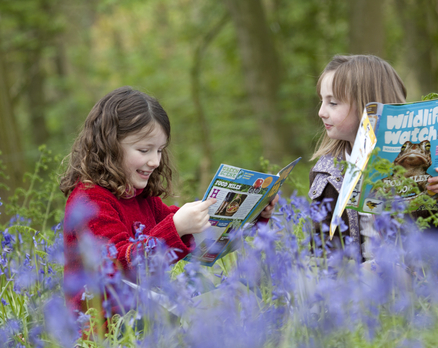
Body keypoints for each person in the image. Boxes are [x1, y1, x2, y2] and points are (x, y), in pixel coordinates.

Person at [60, 86, 278, 316]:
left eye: (160, 150)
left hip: (149, 310)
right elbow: (118, 266)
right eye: (144, 150)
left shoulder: (141, 197)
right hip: (104, 326)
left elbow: (204, 246)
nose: (155, 161)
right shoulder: (89, 201)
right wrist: (176, 227)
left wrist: (253, 216)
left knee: (238, 296)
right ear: (109, 146)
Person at [308, 55, 438, 287]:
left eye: (333, 103)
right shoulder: (327, 172)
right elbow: (321, 248)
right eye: (321, 101)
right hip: (359, 284)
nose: (321, 112)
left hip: (427, 278)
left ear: (367, 107)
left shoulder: (429, 159)